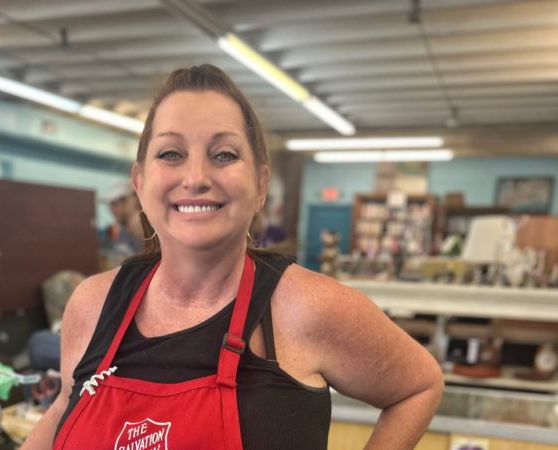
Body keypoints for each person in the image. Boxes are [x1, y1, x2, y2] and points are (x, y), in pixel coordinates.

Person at [23, 65, 443, 449]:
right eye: (171, 154)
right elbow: (64, 407)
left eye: (224, 155)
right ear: (139, 181)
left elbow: (418, 386)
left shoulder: (306, 308)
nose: (196, 178)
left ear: (261, 183)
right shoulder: (93, 302)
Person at [99, 181, 144, 268]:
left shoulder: (137, 222)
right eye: (111, 206)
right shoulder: (124, 227)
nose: (112, 211)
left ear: (129, 201)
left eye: (115, 205)